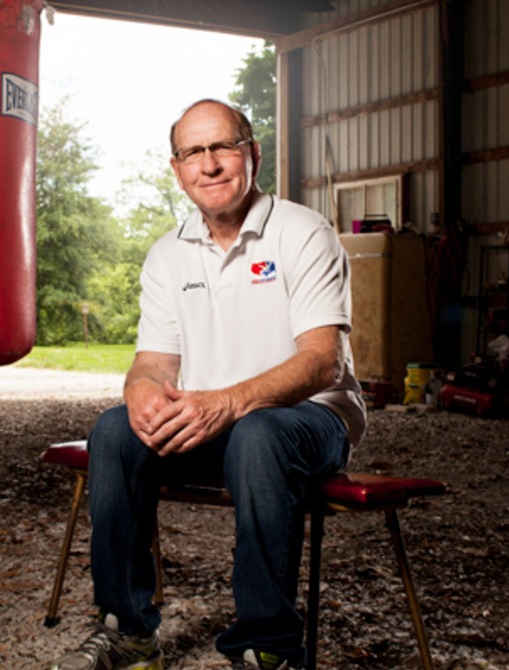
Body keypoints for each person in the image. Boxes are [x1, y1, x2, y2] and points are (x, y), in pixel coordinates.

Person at [47, 99, 366, 670]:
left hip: (308, 419)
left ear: (253, 153)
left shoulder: (302, 231)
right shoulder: (168, 255)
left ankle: (266, 649)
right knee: (115, 432)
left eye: (223, 146)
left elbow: (323, 362)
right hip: (215, 424)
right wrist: (140, 391)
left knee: (260, 434)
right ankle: (128, 633)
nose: (210, 164)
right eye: (194, 152)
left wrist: (228, 402)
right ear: (177, 169)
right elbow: (152, 363)